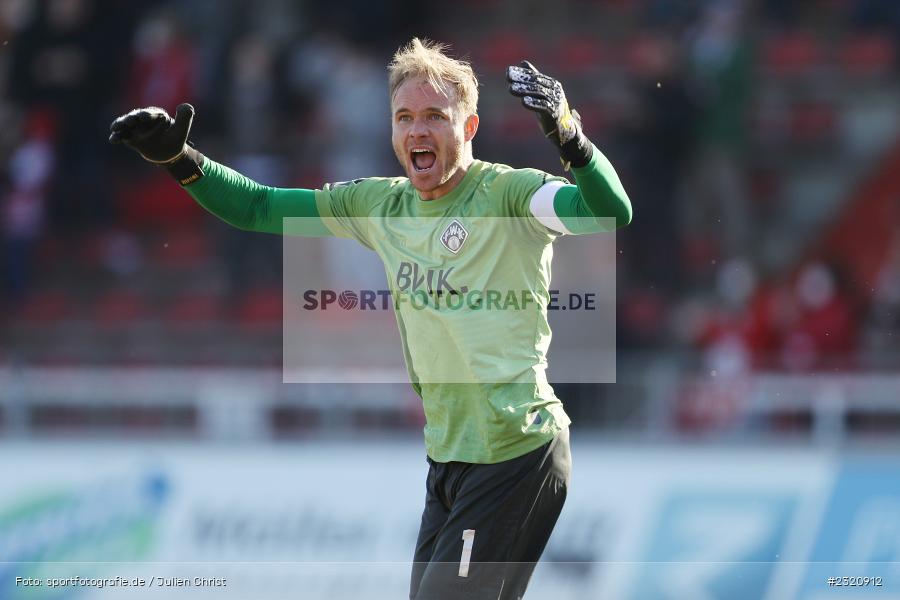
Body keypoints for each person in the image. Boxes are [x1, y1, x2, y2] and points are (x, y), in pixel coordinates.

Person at [109, 38, 631, 600]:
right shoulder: (381, 205)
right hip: (449, 461)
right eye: (404, 118)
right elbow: (258, 207)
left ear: (470, 126)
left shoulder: (509, 193)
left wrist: (568, 135)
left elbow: (608, 211)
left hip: (517, 453)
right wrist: (179, 160)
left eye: (435, 117)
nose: (417, 132)